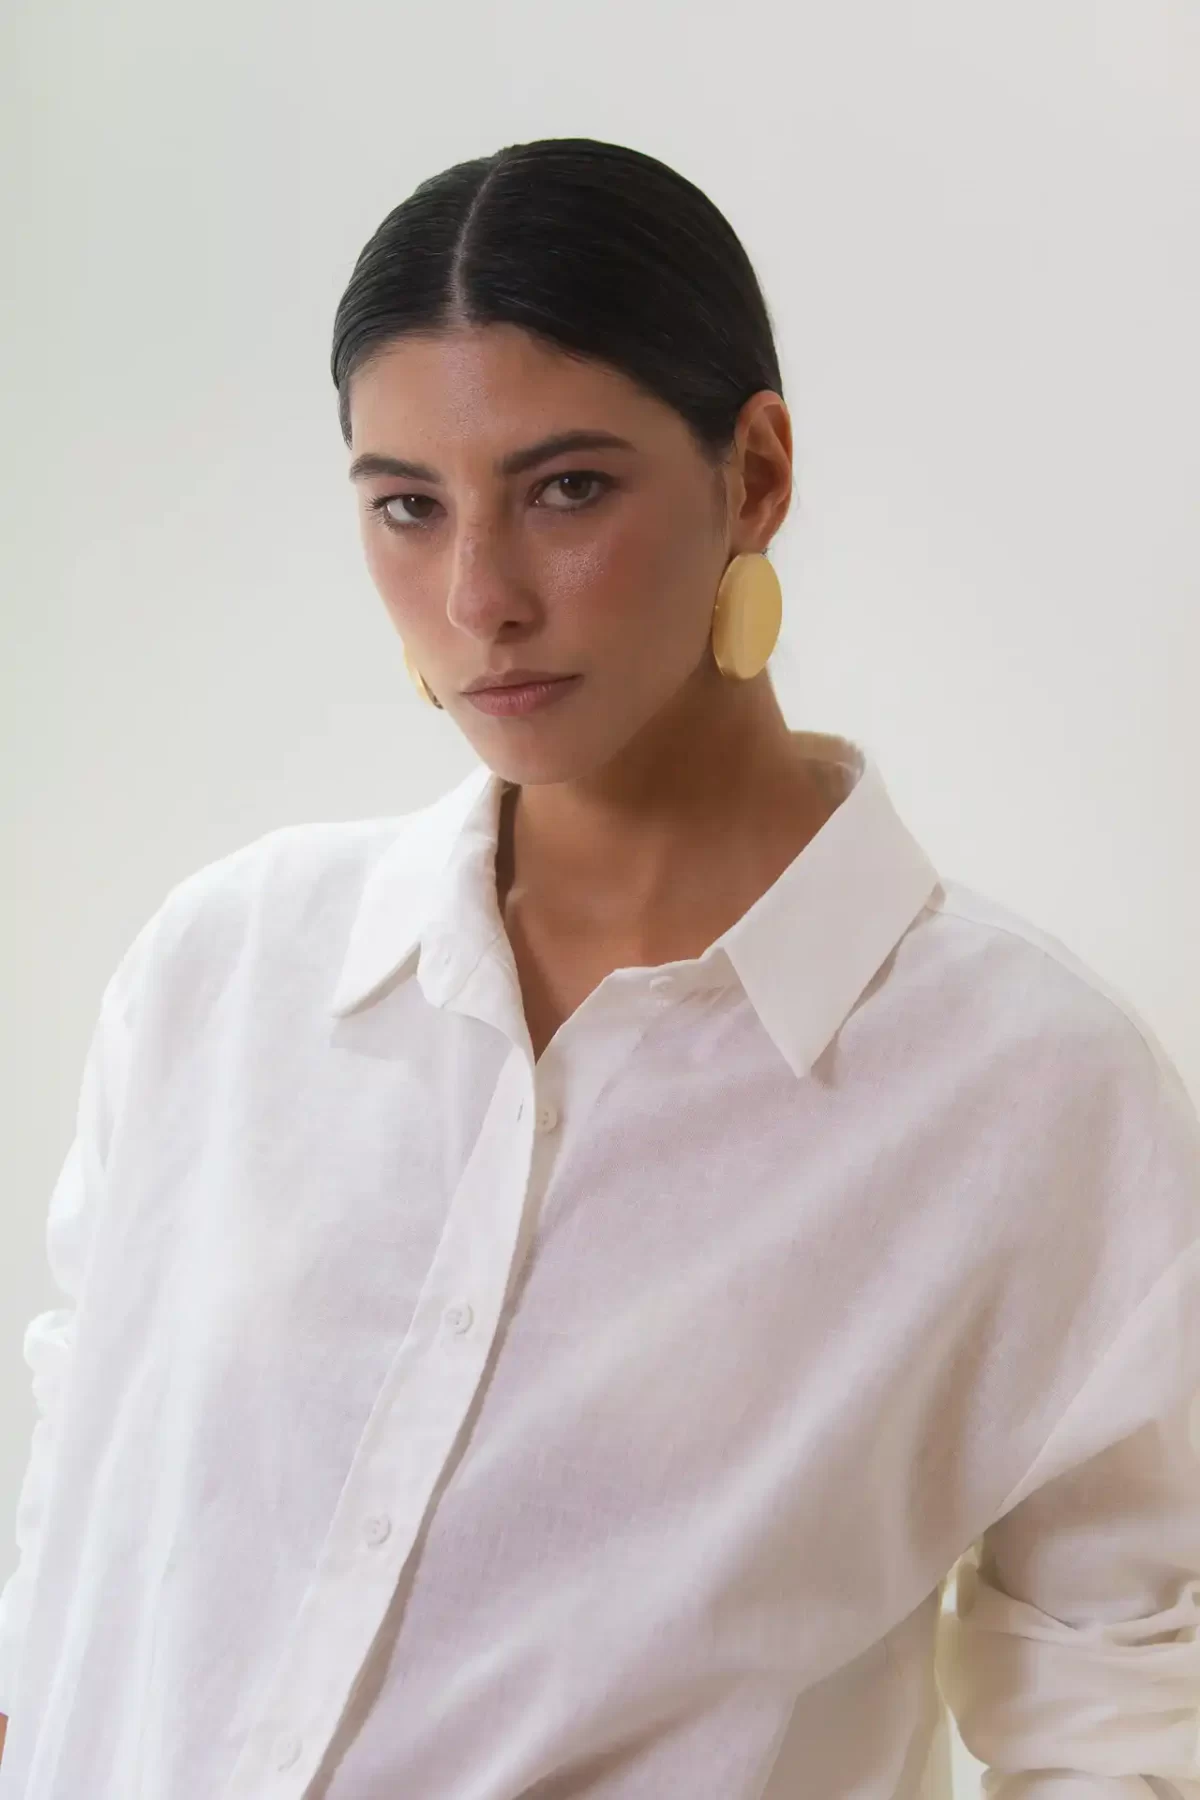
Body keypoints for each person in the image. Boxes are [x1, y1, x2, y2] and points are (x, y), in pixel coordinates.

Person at [1, 136, 1198, 1800]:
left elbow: (1128, 1710)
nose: (478, 597)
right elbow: (72, 1552)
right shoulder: (228, 969)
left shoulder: (1027, 1094)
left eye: (566, 489)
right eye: (408, 507)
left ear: (754, 475)